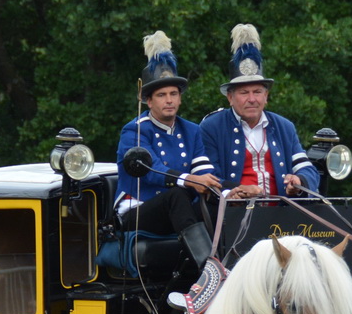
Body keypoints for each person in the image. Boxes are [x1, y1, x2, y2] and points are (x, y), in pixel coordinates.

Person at [114, 31, 220, 266]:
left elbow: (203, 173)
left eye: (174, 94)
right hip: (137, 209)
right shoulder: (135, 130)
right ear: (149, 101)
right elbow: (153, 170)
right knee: (177, 195)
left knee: (217, 200)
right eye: (161, 95)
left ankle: (231, 264)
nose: (169, 100)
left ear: (180, 99)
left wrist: (234, 190)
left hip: (176, 207)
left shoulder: (191, 130)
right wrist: (190, 180)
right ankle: (206, 268)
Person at [198, 24, 320, 200]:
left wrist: (299, 180)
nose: (252, 99)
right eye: (244, 93)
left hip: (281, 219)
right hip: (232, 216)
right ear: (230, 97)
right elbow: (209, 177)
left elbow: (306, 168)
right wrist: (236, 191)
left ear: (266, 96)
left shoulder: (284, 127)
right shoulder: (211, 127)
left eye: (257, 92)